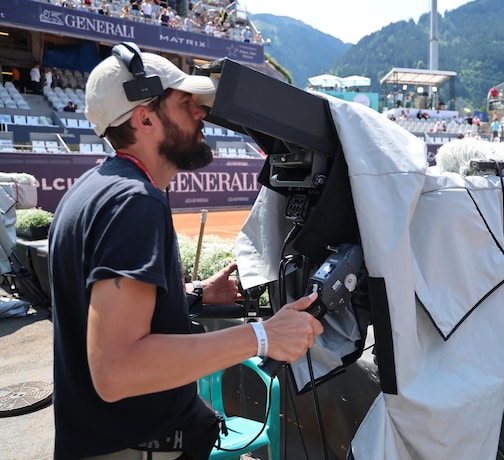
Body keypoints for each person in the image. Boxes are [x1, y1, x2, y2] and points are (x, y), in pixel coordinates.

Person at [49, 46, 324, 459]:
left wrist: (191, 295)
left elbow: (107, 309)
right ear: (144, 118)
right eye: (185, 103)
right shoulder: (134, 201)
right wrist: (264, 336)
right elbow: (116, 369)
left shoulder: (94, 189)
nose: (201, 113)